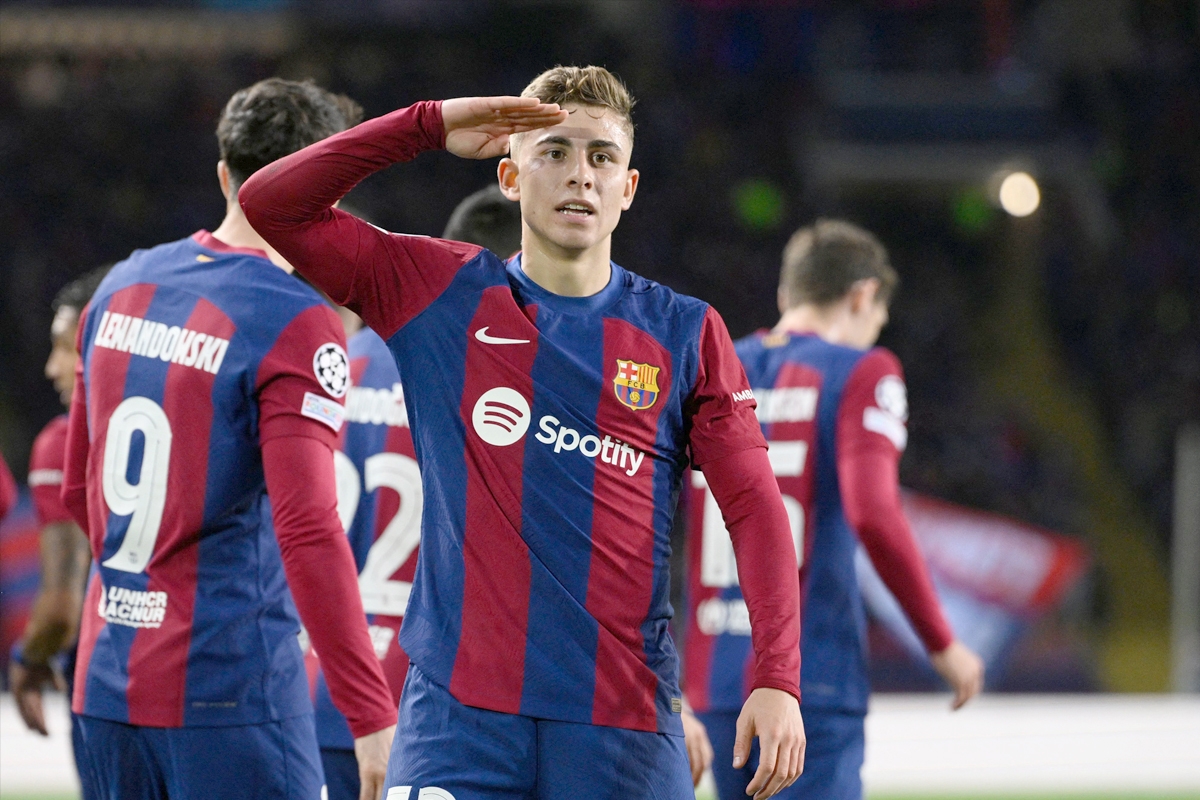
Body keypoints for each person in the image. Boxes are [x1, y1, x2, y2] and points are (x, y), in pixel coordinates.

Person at [241, 65, 804, 800]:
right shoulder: (438, 291)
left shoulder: (685, 332)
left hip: (622, 727)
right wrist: (430, 123)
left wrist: (778, 676)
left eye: (602, 157)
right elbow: (271, 205)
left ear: (627, 188)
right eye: (555, 152)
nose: (581, 175)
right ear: (509, 176)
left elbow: (754, 507)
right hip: (456, 725)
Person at [61, 78, 396, 800]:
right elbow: (308, 528)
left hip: (107, 685)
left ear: (223, 175)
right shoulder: (292, 318)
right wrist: (370, 713)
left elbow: (76, 486)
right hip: (228, 695)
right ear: (331, 195)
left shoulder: (119, 286)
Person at [683, 219, 985, 800]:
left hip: (714, 678)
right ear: (864, 296)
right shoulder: (863, 370)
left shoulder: (717, 367)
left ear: (786, 294)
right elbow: (874, 512)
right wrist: (941, 642)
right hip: (810, 675)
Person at [9, 266, 111, 797]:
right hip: (225, 677)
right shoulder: (211, 425)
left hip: (109, 686)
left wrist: (26, 659)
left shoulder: (65, 442)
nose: (52, 368)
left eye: (65, 349)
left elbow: (61, 611)